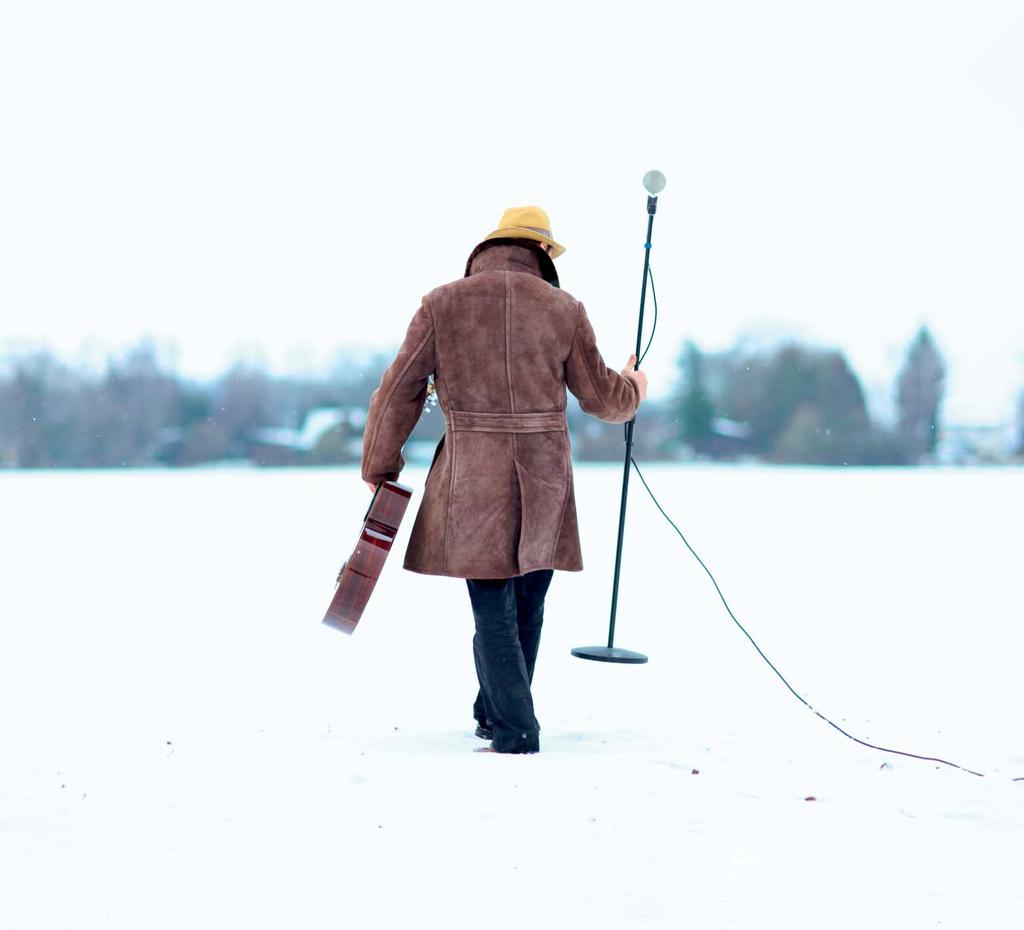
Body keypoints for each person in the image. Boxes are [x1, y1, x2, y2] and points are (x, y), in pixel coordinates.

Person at [360, 205, 648, 754]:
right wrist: (634, 385)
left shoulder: (442, 304)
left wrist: (379, 466)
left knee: (491, 597)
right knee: (529, 593)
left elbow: (397, 391)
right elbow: (603, 399)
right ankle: (502, 716)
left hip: (473, 473)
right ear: (541, 252)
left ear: (489, 248)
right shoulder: (564, 309)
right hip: (544, 475)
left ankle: (510, 725)